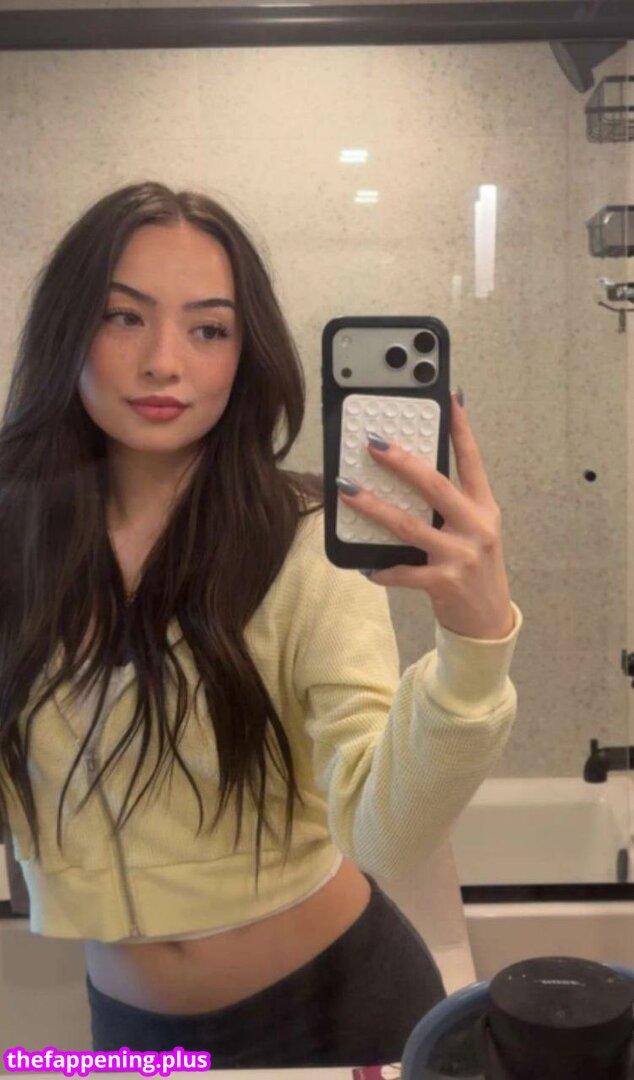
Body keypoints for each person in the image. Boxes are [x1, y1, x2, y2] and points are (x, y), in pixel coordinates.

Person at [0, 181, 522, 1069]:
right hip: (128, 1029)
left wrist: (473, 649)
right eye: (124, 317)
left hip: (341, 1006)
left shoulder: (303, 540)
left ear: (246, 356)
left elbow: (386, 834)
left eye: (209, 329)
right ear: (66, 330)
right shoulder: (15, 544)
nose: (164, 362)